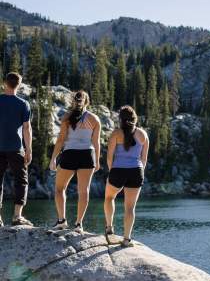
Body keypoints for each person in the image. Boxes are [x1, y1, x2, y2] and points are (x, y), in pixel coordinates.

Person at [49, 90, 101, 232]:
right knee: (84, 191)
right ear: (87, 101)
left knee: (60, 189)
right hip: (87, 155)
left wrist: (53, 158)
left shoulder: (66, 117)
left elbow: (60, 140)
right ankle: (78, 224)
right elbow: (96, 143)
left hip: (69, 154)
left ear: (73, 101)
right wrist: (97, 160)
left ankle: (61, 221)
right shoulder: (94, 119)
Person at [104, 106, 148, 247]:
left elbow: (109, 157)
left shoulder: (116, 133)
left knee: (109, 197)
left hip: (118, 170)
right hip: (136, 171)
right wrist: (140, 172)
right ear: (135, 118)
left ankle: (109, 228)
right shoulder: (143, 134)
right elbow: (144, 159)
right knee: (130, 207)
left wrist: (112, 172)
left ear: (121, 120)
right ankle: (127, 239)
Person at [0, 72, 33, 226]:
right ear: (18, 85)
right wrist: (29, 150)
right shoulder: (23, 104)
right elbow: (27, 128)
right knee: (21, 181)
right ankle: (17, 216)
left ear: (4, 83)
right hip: (16, 148)